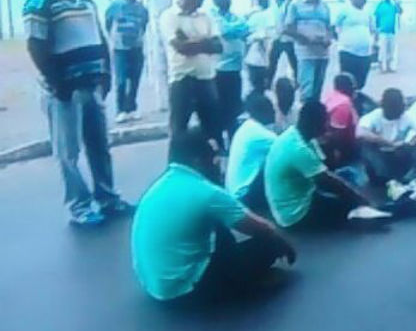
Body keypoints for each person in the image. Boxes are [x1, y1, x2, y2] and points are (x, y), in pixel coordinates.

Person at [23, 0, 132, 227]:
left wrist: (106, 72)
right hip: (63, 91)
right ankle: (80, 207)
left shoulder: (86, 1)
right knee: (68, 152)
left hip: (92, 86)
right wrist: (56, 82)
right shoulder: (40, 2)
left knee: (99, 144)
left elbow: (99, 37)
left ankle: (108, 198)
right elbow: (36, 46)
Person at [132, 128, 296, 302]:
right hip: (186, 288)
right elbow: (259, 228)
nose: (217, 163)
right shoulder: (207, 192)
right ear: (197, 161)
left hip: (154, 285)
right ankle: (239, 285)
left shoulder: (160, 185)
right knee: (268, 245)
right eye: (212, 157)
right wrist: (282, 242)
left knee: (215, 225)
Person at [264, 101, 371, 229]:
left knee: (346, 175)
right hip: (296, 213)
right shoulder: (298, 149)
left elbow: (326, 166)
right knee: (348, 205)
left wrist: (329, 142)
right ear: (315, 124)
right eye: (325, 122)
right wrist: (360, 199)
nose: (328, 126)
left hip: (302, 194)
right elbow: (327, 181)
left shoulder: (298, 135)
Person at [159, 0, 224, 147]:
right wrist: (204, 42)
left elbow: (218, 46)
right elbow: (181, 48)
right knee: (179, 133)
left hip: (206, 80)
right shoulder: (169, 16)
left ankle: (213, 170)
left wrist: (190, 41)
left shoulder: (206, 16)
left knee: (213, 131)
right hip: (182, 81)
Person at [357, 88, 416, 185]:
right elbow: (360, 133)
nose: (402, 109)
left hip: (400, 156)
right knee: (366, 145)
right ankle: (382, 176)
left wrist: (413, 143)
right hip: (380, 155)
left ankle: (412, 175)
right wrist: (388, 143)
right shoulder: (374, 116)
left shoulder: (407, 116)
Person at [105, 0, 149, 123]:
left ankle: (132, 107)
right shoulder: (116, 6)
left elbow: (144, 25)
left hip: (136, 48)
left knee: (135, 79)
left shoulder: (142, 9)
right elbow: (108, 23)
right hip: (120, 49)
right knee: (122, 80)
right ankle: (121, 109)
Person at [283, 0, 332, 101]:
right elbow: (288, 28)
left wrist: (328, 38)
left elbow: (329, 28)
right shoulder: (296, 5)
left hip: (322, 54)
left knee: (317, 90)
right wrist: (305, 38)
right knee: (307, 89)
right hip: (306, 54)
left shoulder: (324, 7)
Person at [225, 94, 277, 212]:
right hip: (244, 196)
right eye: (272, 110)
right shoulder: (258, 134)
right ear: (264, 112)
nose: (274, 114)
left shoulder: (247, 127)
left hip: (235, 192)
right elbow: (284, 146)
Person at [211, 0, 249, 140]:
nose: (226, 0)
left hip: (234, 69)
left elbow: (245, 27)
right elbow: (224, 30)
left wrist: (233, 29)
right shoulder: (211, 16)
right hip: (217, 69)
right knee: (218, 108)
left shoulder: (234, 17)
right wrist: (235, 30)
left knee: (234, 109)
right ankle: (219, 142)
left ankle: (234, 141)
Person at [335, 0, 374, 90]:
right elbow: (334, 26)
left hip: (365, 54)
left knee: (360, 83)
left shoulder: (368, 12)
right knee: (347, 83)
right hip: (348, 52)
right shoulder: (344, 10)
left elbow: (372, 30)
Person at [322, 72, 359, 168]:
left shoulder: (330, 96)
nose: (355, 91)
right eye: (353, 88)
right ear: (346, 88)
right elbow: (338, 135)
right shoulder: (343, 104)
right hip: (341, 150)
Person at [268, 0, 298, 88]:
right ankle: (268, 82)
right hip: (277, 37)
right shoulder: (274, 3)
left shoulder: (290, 3)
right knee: (272, 61)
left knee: (294, 61)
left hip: (288, 38)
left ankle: (297, 81)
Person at [245, 0, 276, 93]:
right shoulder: (258, 14)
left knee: (257, 86)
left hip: (259, 57)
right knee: (259, 87)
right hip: (257, 57)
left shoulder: (255, 14)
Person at [374, 0, 403, 73]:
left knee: (391, 50)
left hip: (392, 31)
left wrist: (396, 1)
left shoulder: (392, 6)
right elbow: (376, 18)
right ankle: (381, 67)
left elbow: (400, 11)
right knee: (382, 50)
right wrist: (376, 30)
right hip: (382, 31)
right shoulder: (380, 6)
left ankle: (389, 66)